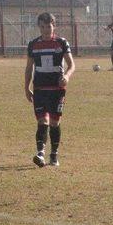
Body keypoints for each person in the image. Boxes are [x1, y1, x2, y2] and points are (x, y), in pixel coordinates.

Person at [24, 12, 75, 168]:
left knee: (54, 122)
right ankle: (40, 153)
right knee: (42, 121)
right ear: (39, 27)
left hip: (57, 89)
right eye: (43, 26)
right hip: (39, 88)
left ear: (54, 26)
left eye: (49, 26)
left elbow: (72, 65)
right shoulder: (33, 44)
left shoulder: (61, 43)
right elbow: (29, 67)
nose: (46, 29)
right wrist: (26, 87)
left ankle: (54, 154)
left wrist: (66, 76)